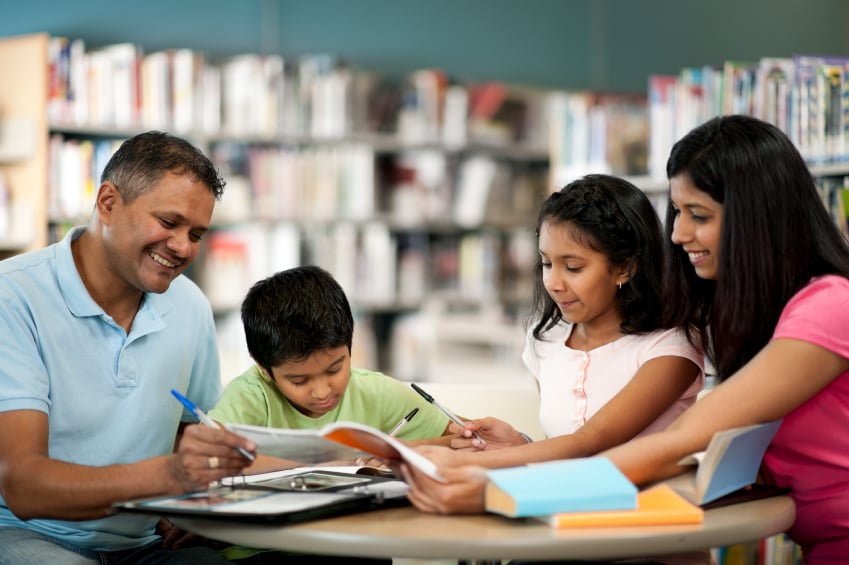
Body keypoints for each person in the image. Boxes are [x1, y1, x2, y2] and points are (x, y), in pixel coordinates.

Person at [406, 116, 849, 564]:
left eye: (698, 215)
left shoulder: (830, 307)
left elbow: (674, 443)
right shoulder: (755, 316)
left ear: (758, 216)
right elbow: (679, 458)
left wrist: (499, 489)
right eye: (678, 213)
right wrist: (515, 457)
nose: (676, 234)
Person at [0, 131, 256, 564]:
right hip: (30, 537)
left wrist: (192, 505)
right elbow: (24, 486)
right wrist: (168, 476)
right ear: (107, 202)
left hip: (144, 544)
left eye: (196, 233)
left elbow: (189, 432)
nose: (182, 247)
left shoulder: (190, 306)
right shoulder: (13, 296)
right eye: (169, 222)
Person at [398, 174, 704, 509]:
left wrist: (468, 464)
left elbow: (589, 442)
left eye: (573, 267)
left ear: (625, 268)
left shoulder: (670, 348)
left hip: (643, 531)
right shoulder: (546, 341)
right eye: (546, 263)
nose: (553, 283)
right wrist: (519, 444)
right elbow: (562, 451)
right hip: (559, 517)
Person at [207, 265, 454, 563]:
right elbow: (210, 464)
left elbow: (456, 440)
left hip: (350, 546)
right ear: (264, 369)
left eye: (335, 368)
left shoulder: (376, 392)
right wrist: (327, 464)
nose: (323, 392)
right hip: (263, 550)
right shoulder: (250, 395)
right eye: (299, 381)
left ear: (351, 345)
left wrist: (398, 453)